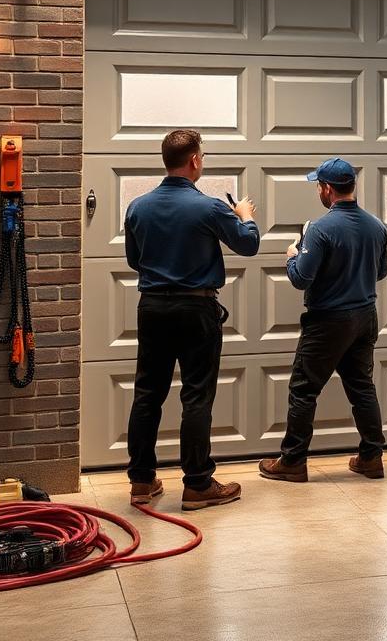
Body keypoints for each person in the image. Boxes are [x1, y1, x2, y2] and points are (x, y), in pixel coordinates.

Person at [124, 128, 260, 509]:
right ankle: (198, 484)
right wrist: (245, 217)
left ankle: (141, 482)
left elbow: (134, 261)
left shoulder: (138, 207)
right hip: (196, 309)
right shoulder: (210, 207)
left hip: (152, 308)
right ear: (195, 160)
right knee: (196, 395)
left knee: (147, 394)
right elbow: (248, 246)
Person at [259, 158, 387, 483]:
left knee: (303, 389)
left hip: (328, 321)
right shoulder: (376, 226)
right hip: (365, 316)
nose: (319, 189)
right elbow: (380, 272)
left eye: (319, 185)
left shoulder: (319, 229)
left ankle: (293, 461)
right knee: (362, 387)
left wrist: (292, 255)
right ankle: (371, 458)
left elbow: (301, 279)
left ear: (327, 189)